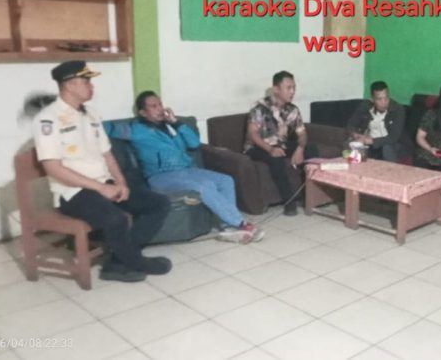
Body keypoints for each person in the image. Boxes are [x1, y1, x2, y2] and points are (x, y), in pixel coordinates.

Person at [32, 60, 172, 283]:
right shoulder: (48, 119)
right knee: (115, 219)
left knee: (159, 203)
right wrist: (100, 188)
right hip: (73, 193)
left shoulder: (91, 114)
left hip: (103, 184)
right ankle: (137, 262)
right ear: (69, 85)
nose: (92, 86)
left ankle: (117, 262)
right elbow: (53, 168)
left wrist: (120, 182)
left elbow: (107, 153)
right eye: (86, 82)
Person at [106, 91, 264, 243]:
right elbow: (104, 128)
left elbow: (194, 143)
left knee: (226, 180)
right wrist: (91, 124)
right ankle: (239, 223)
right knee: (204, 186)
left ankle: (228, 226)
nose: (160, 108)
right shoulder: (136, 129)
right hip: (160, 176)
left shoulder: (170, 127)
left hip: (187, 171)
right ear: (143, 112)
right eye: (153, 106)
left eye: (160, 104)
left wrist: (176, 123)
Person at [245, 71, 318, 216]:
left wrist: (300, 148)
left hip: (280, 144)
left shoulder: (292, 109)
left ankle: (308, 195)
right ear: (276, 89)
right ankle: (289, 201)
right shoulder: (259, 108)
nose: (292, 91)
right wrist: (270, 149)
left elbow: (302, 134)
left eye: (294, 87)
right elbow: (252, 135)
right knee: (276, 159)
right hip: (257, 147)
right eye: (288, 88)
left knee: (311, 149)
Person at [345, 81, 406, 162]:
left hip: (392, 145)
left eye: (386, 98)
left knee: (387, 148)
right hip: (371, 145)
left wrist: (369, 140)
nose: (384, 102)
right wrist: (355, 135)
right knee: (351, 144)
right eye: (379, 99)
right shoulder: (365, 106)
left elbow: (393, 137)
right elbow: (351, 124)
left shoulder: (397, 109)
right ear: (372, 99)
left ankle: (392, 169)